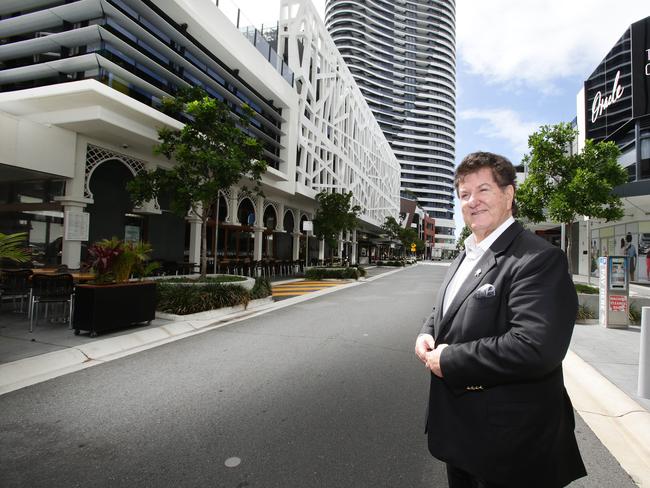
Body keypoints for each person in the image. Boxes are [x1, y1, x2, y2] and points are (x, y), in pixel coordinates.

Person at [415, 152, 586, 488]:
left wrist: (448, 358)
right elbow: (445, 309)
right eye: (464, 195)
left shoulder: (538, 258)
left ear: (509, 195)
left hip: (509, 446)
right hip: (461, 436)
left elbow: (535, 347)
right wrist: (427, 332)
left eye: (484, 191)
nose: (472, 202)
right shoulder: (467, 253)